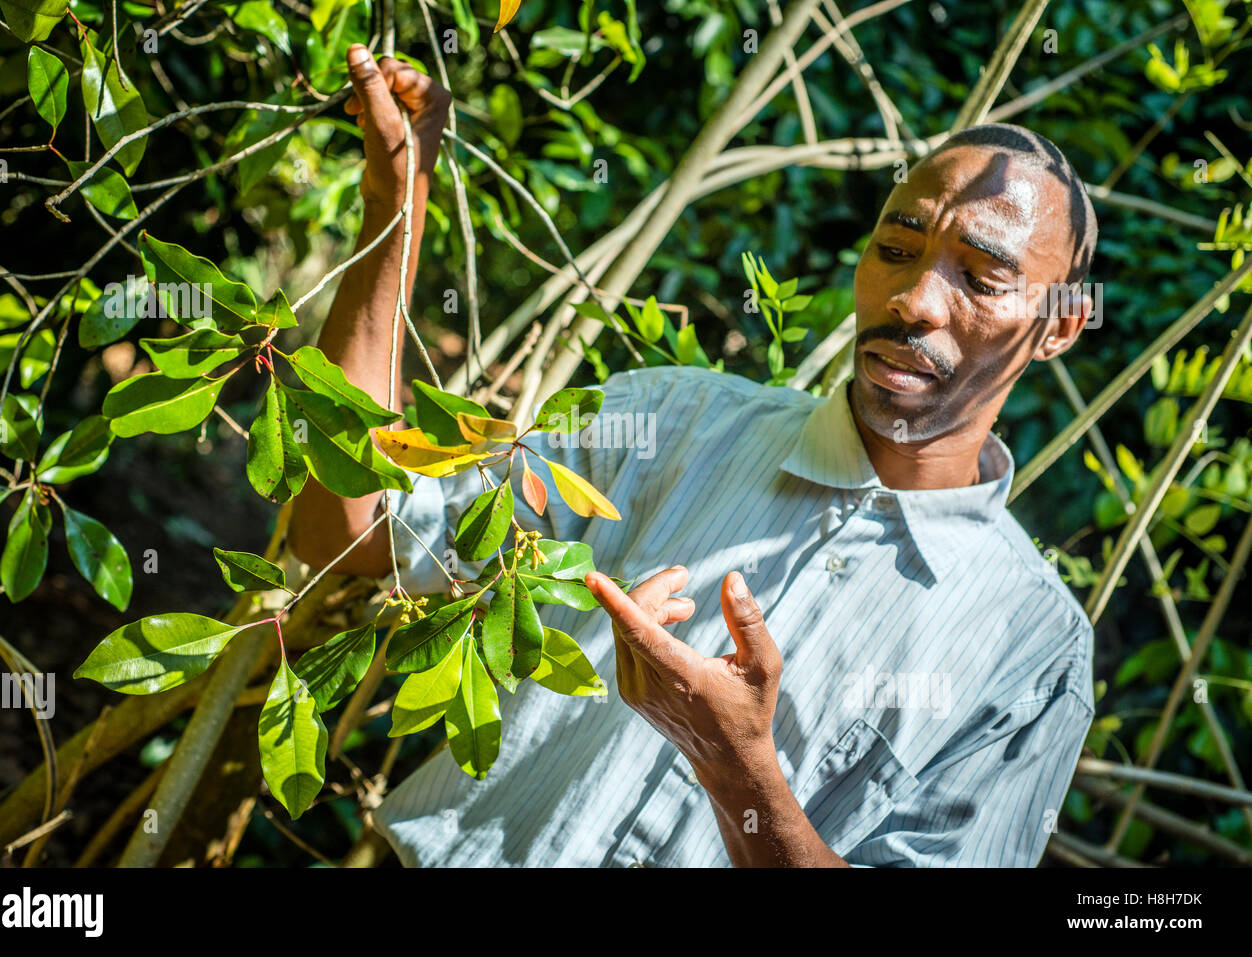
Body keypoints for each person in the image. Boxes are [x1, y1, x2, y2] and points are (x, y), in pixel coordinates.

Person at [288, 43, 1098, 867]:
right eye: (898, 248)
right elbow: (344, 532)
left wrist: (736, 764)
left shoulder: (1030, 646)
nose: (915, 299)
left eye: (983, 279)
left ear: (1062, 323)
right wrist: (398, 199)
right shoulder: (667, 422)